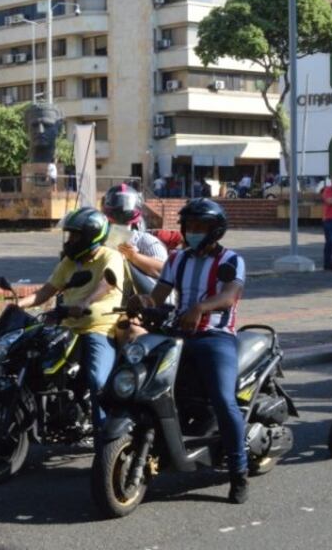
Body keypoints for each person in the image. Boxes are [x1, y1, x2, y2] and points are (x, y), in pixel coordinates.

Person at [140, 198, 248, 504]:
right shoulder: (177, 259)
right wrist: (143, 302)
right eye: (189, 226)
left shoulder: (232, 260)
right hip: (178, 335)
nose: (193, 232)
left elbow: (229, 296)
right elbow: (158, 294)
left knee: (224, 400)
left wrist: (200, 308)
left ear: (216, 230)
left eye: (200, 226)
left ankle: (238, 470)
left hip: (215, 337)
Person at [10, 208, 124, 436]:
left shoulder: (110, 256)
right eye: (69, 235)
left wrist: (85, 302)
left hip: (98, 328)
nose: (70, 241)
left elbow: (107, 283)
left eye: (75, 236)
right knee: (37, 366)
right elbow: (46, 291)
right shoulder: (69, 263)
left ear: (91, 236)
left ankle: (106, 436)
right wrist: (18, 304)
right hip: (67, 327)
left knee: (97, 380)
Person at [102, 184, 168, 292]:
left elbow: (165, 271)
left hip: (140, 299)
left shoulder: (146, 241)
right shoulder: (101, 240)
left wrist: (134, 257)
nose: (121, 216)